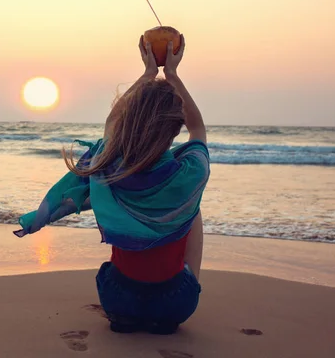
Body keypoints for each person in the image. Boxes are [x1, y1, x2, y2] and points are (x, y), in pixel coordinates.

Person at [15, 34, 209, 335]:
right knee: (191, 209)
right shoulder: (187, 175)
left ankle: (128, 319)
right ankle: (169, 310)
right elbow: (198, 129)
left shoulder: (108, 167)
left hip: (118, 298)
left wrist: (147, 73)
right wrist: (172, 74)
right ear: (175, 128)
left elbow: (112, 122)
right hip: (175, 303)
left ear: (126, 124)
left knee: (113, 260)